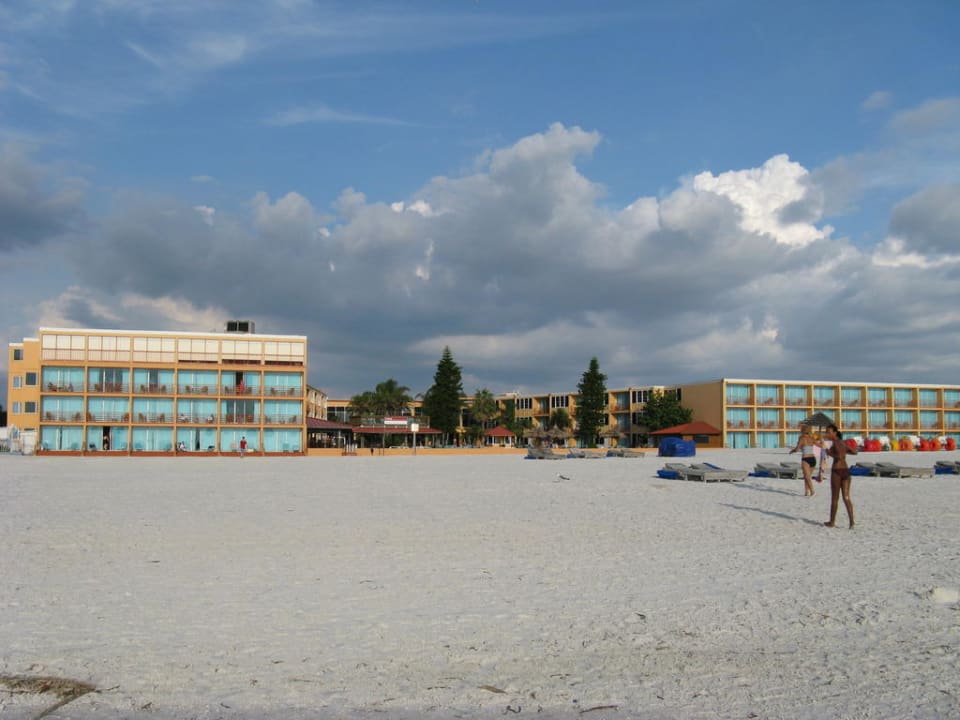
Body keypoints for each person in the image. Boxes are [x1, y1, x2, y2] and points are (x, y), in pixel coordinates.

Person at [824, 424, 857, 528]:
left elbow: (838, 456)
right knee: (846, 497)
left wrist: (829, 452)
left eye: (829, 432)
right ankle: (851, 522)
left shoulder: (835, 443)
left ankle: (832, 522)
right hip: (846, 471)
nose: (827, 434)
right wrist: (845, 452)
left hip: (837, 470)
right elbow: (854, 452)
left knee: (835, 498)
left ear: (834, 432)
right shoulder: (843, 443)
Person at [789, 424, 820, 497]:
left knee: (807, 476)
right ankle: (806, 491)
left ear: (802, 430)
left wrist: (792, 451)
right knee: (807, 476)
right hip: (813, 459)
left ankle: (812, 491)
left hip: (805, 459)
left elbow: (797, 449)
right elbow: (819, 445)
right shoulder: (812, 438)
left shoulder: (802, 438)